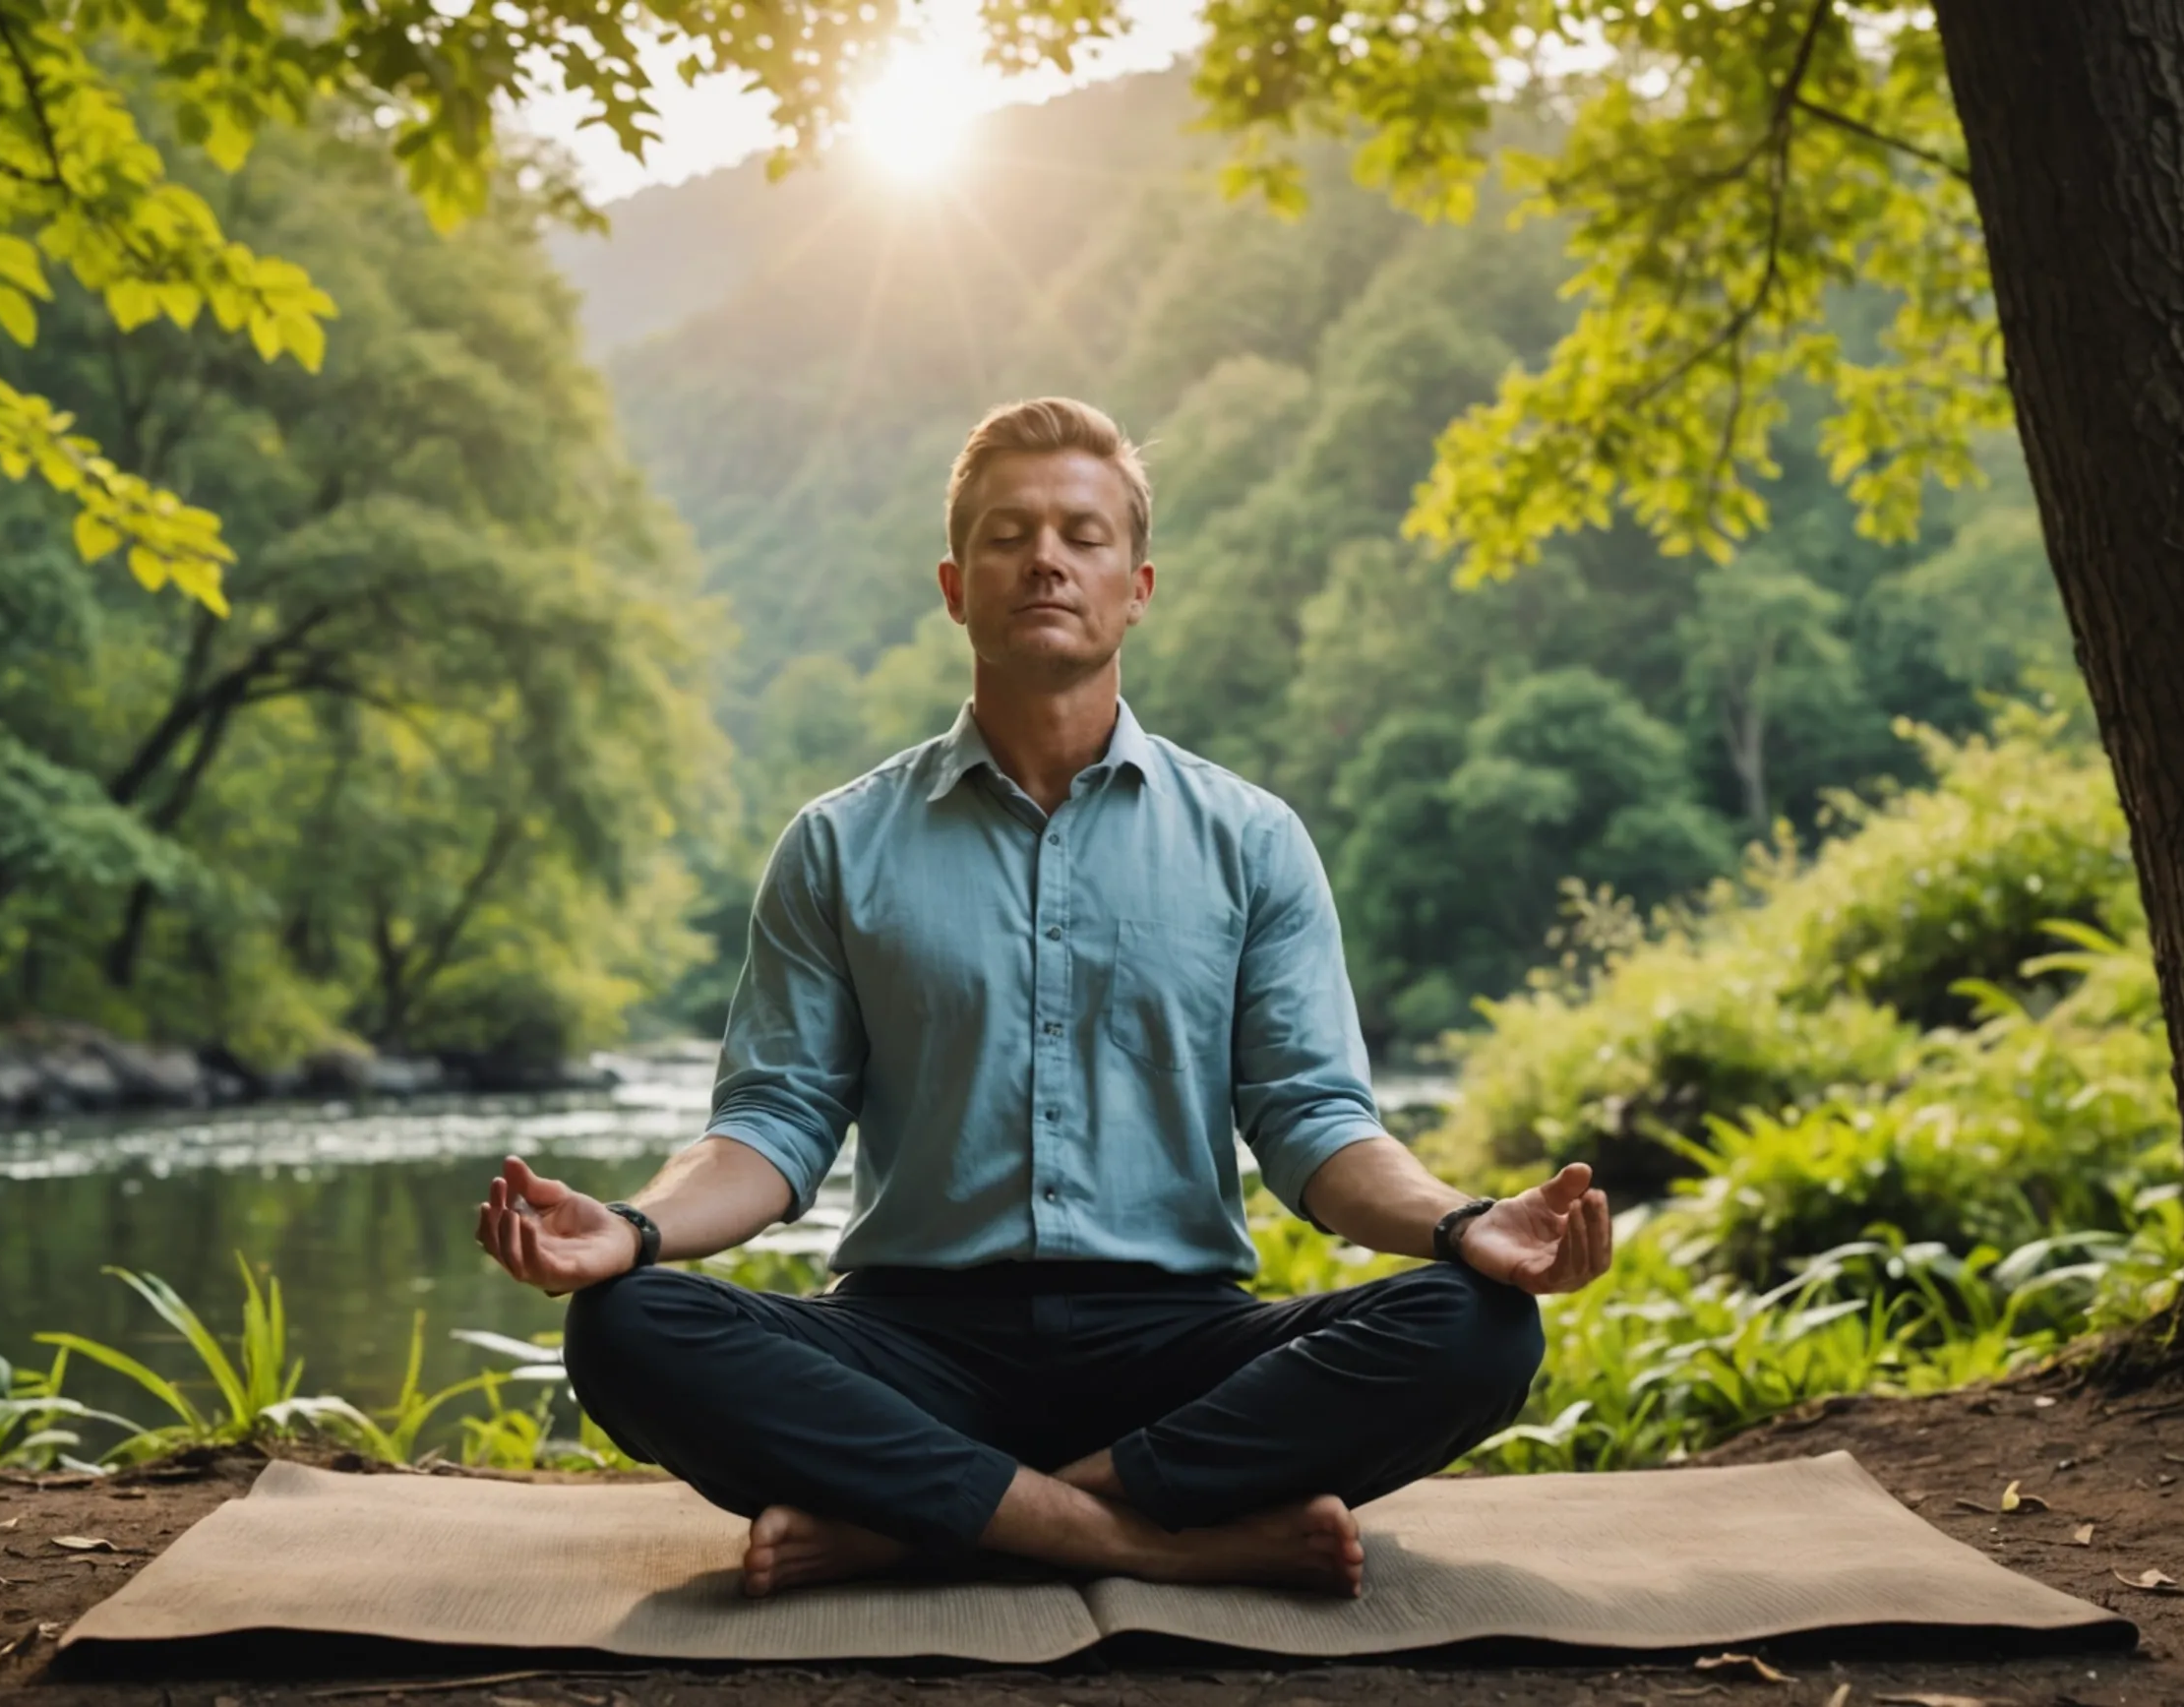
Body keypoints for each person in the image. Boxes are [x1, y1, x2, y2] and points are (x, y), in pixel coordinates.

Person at [473, 397, 1616, 1601]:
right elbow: (771, 1127)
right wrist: (633, 1229)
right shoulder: (836, 845)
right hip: (910, 1338)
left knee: (1480, 1327)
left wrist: (1461, 1223)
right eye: (1010, 534)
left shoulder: (1253, 841)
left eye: (1082, 532)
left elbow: (1314, 1124)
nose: (1047, 559)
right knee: (626, 1327)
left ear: (1139, 585)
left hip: (1179, 1342)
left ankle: (922, 1521)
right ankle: (1149, 1534)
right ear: (957, 586)